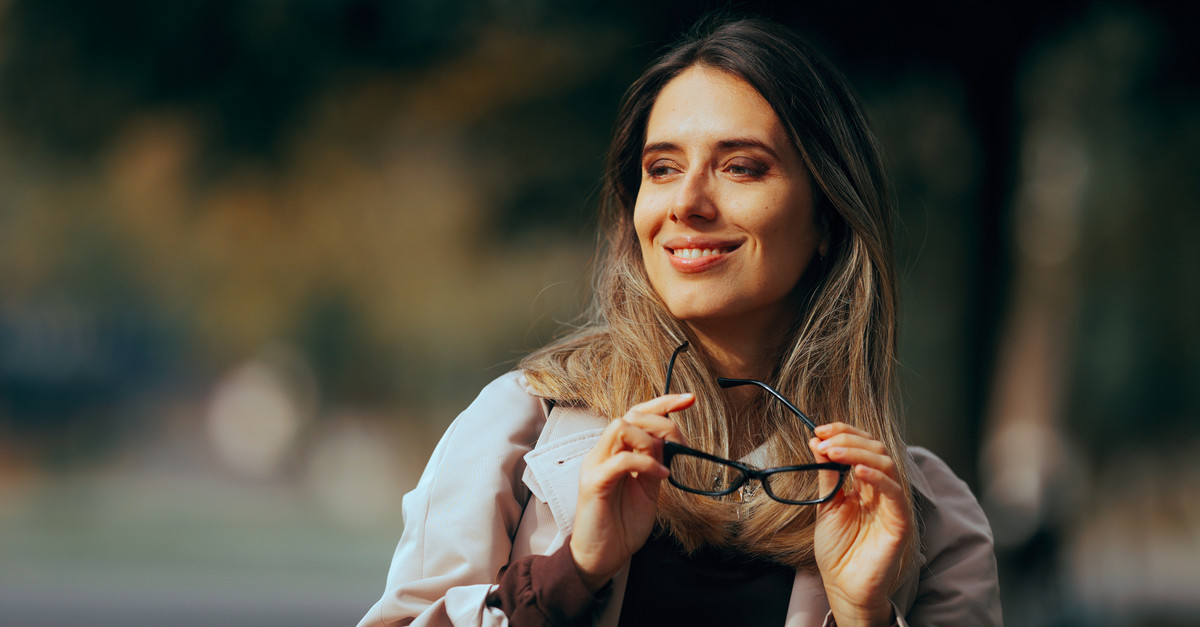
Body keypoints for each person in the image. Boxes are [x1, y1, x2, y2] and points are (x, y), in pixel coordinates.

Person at [360, 17, 1001, 627]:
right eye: (662, 168)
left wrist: (864, 615)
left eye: (741, 166)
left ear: (827, 218)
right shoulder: (517, 430)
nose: (687, 203)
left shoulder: (929, 518)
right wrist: (570, 576)